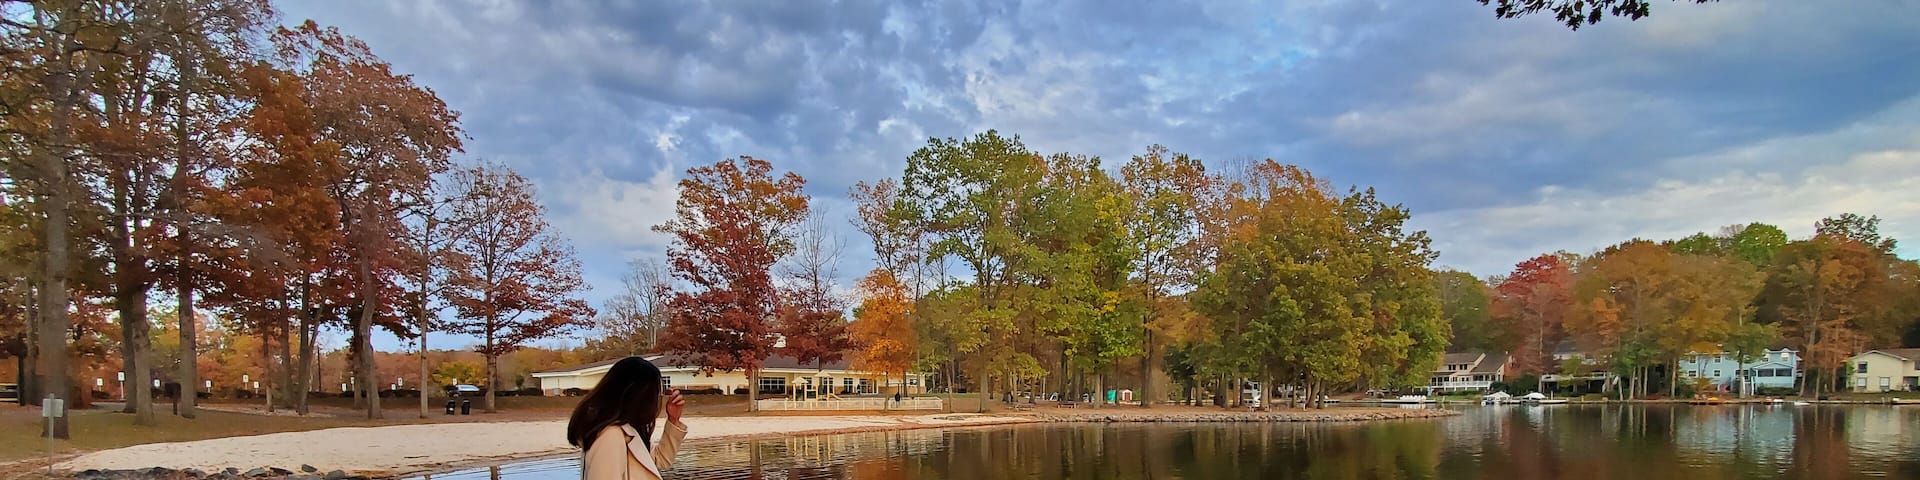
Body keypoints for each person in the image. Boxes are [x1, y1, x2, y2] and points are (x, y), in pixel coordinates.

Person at [567, 357, 687, 480]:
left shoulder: (626, 429)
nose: (657, 399)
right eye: (655, 392)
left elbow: (659, 461)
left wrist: (673, 420)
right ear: (640, 395)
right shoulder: (610, 436)